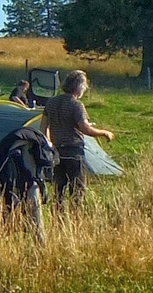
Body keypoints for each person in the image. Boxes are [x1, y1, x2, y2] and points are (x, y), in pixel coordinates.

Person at [42, 70, 114, 206]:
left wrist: (49, 144)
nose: (85, 89)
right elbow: (85, 128)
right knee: (77, 189)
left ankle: (58, 214)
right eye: (84, 86)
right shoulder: (76, 105)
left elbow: (44, 126)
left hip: (57, 151)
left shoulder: (51, 102)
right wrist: (104, 133)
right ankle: (75, 215)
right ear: (79, 86)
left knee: (58, 189)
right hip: (73, 151)